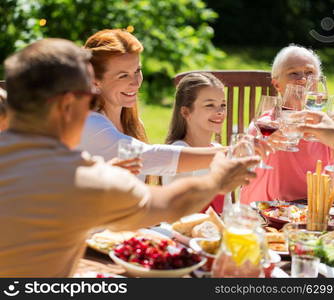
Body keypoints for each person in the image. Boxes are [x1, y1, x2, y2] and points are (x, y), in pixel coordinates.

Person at [0, 38, 259, 277]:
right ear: (67, 105)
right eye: (88, 97)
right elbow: (167, 204)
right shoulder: (78, 178)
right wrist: (216, 180)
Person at [78, 29, 228, 182]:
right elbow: (153, 157)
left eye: (137, 71)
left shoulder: (132, 124)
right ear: (95, 80)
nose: (136, 82)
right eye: (123, 75)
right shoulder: (91, 124)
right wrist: (232, 153)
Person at [240, 45, 333, 205]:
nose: (303, 79)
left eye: (309, 73)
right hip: (264, 213)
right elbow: (250, 143)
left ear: (318, 81)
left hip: (311, 212)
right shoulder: (268, 122)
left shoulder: (324, 125)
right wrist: (263, 138)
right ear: (277, 85)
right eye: (293, 73)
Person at [162, 72, 226, 213]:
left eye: (223, 104)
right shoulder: (179, 151)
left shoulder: (218, 149)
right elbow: (179, 213)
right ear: (186, 112)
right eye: (210, 105)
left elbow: (225, 209)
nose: (220, 111)